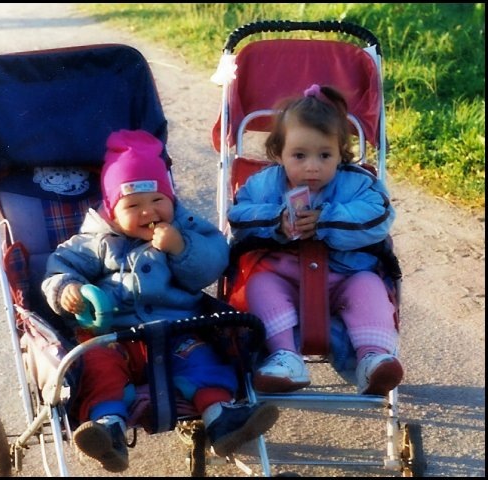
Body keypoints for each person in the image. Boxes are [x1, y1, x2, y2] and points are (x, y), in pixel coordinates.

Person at [42, 129, 279, 473]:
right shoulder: (96, 241)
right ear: (111, 211)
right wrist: (67, 289)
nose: (148, 211)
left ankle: (221, 418)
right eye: (132, 205)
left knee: (204, 362)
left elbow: (214, 263)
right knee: (98, 368)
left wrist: (182, 248)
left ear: (171, 198)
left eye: (157, 200)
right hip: (113, 335)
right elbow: (60, 267)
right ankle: (108, 429)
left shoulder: (187, 230)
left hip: (177, 331)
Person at [227, 84, 404, 396]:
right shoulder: (264, 184)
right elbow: (238, 216)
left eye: (325, 155)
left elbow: (378, 214)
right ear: (279, 153)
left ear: (340, 153)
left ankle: (372, 358)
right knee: (260, 284)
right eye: (299, 155)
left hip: (345, 275)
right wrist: (276, 221)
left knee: (370, 285)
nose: (312, 166)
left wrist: (326, 220)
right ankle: (284, 355)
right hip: (286, 279)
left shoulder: (357, 182)